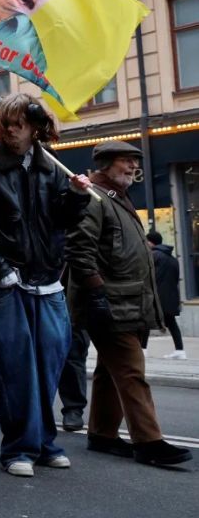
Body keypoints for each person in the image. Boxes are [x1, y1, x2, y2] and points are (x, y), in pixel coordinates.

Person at [0, 93, 91, 477]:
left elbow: (59, 220)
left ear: (35, 126)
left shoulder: (50, 168)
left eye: (19, 124)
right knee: (15, 370)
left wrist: (76, 197)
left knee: (51, 363)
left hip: (48, 282)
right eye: (5, 124)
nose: (11, 131)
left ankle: (45, 441)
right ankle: (18, 447)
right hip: (9, 285)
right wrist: (1, 271)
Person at [65, 141, 193, 467]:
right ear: (107, 164)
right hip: (109, 303)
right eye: (126, 161)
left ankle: (102, 433)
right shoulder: (94, 197)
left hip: (127, 301)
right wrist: (97, 293)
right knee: (132, 371)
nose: (133, 167)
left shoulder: (116, 197)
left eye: (135, 162)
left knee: (111, 370)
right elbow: (80, 251)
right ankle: (149, 442)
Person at [148, 231, 186, 359]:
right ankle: (180, 351)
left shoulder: (153, 255)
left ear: (150, 242)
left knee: (144, 322)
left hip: (157, 297)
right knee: (172, 323)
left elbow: (148, 276)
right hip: (171, 297)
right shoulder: (173, 258)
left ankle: (142, 350)